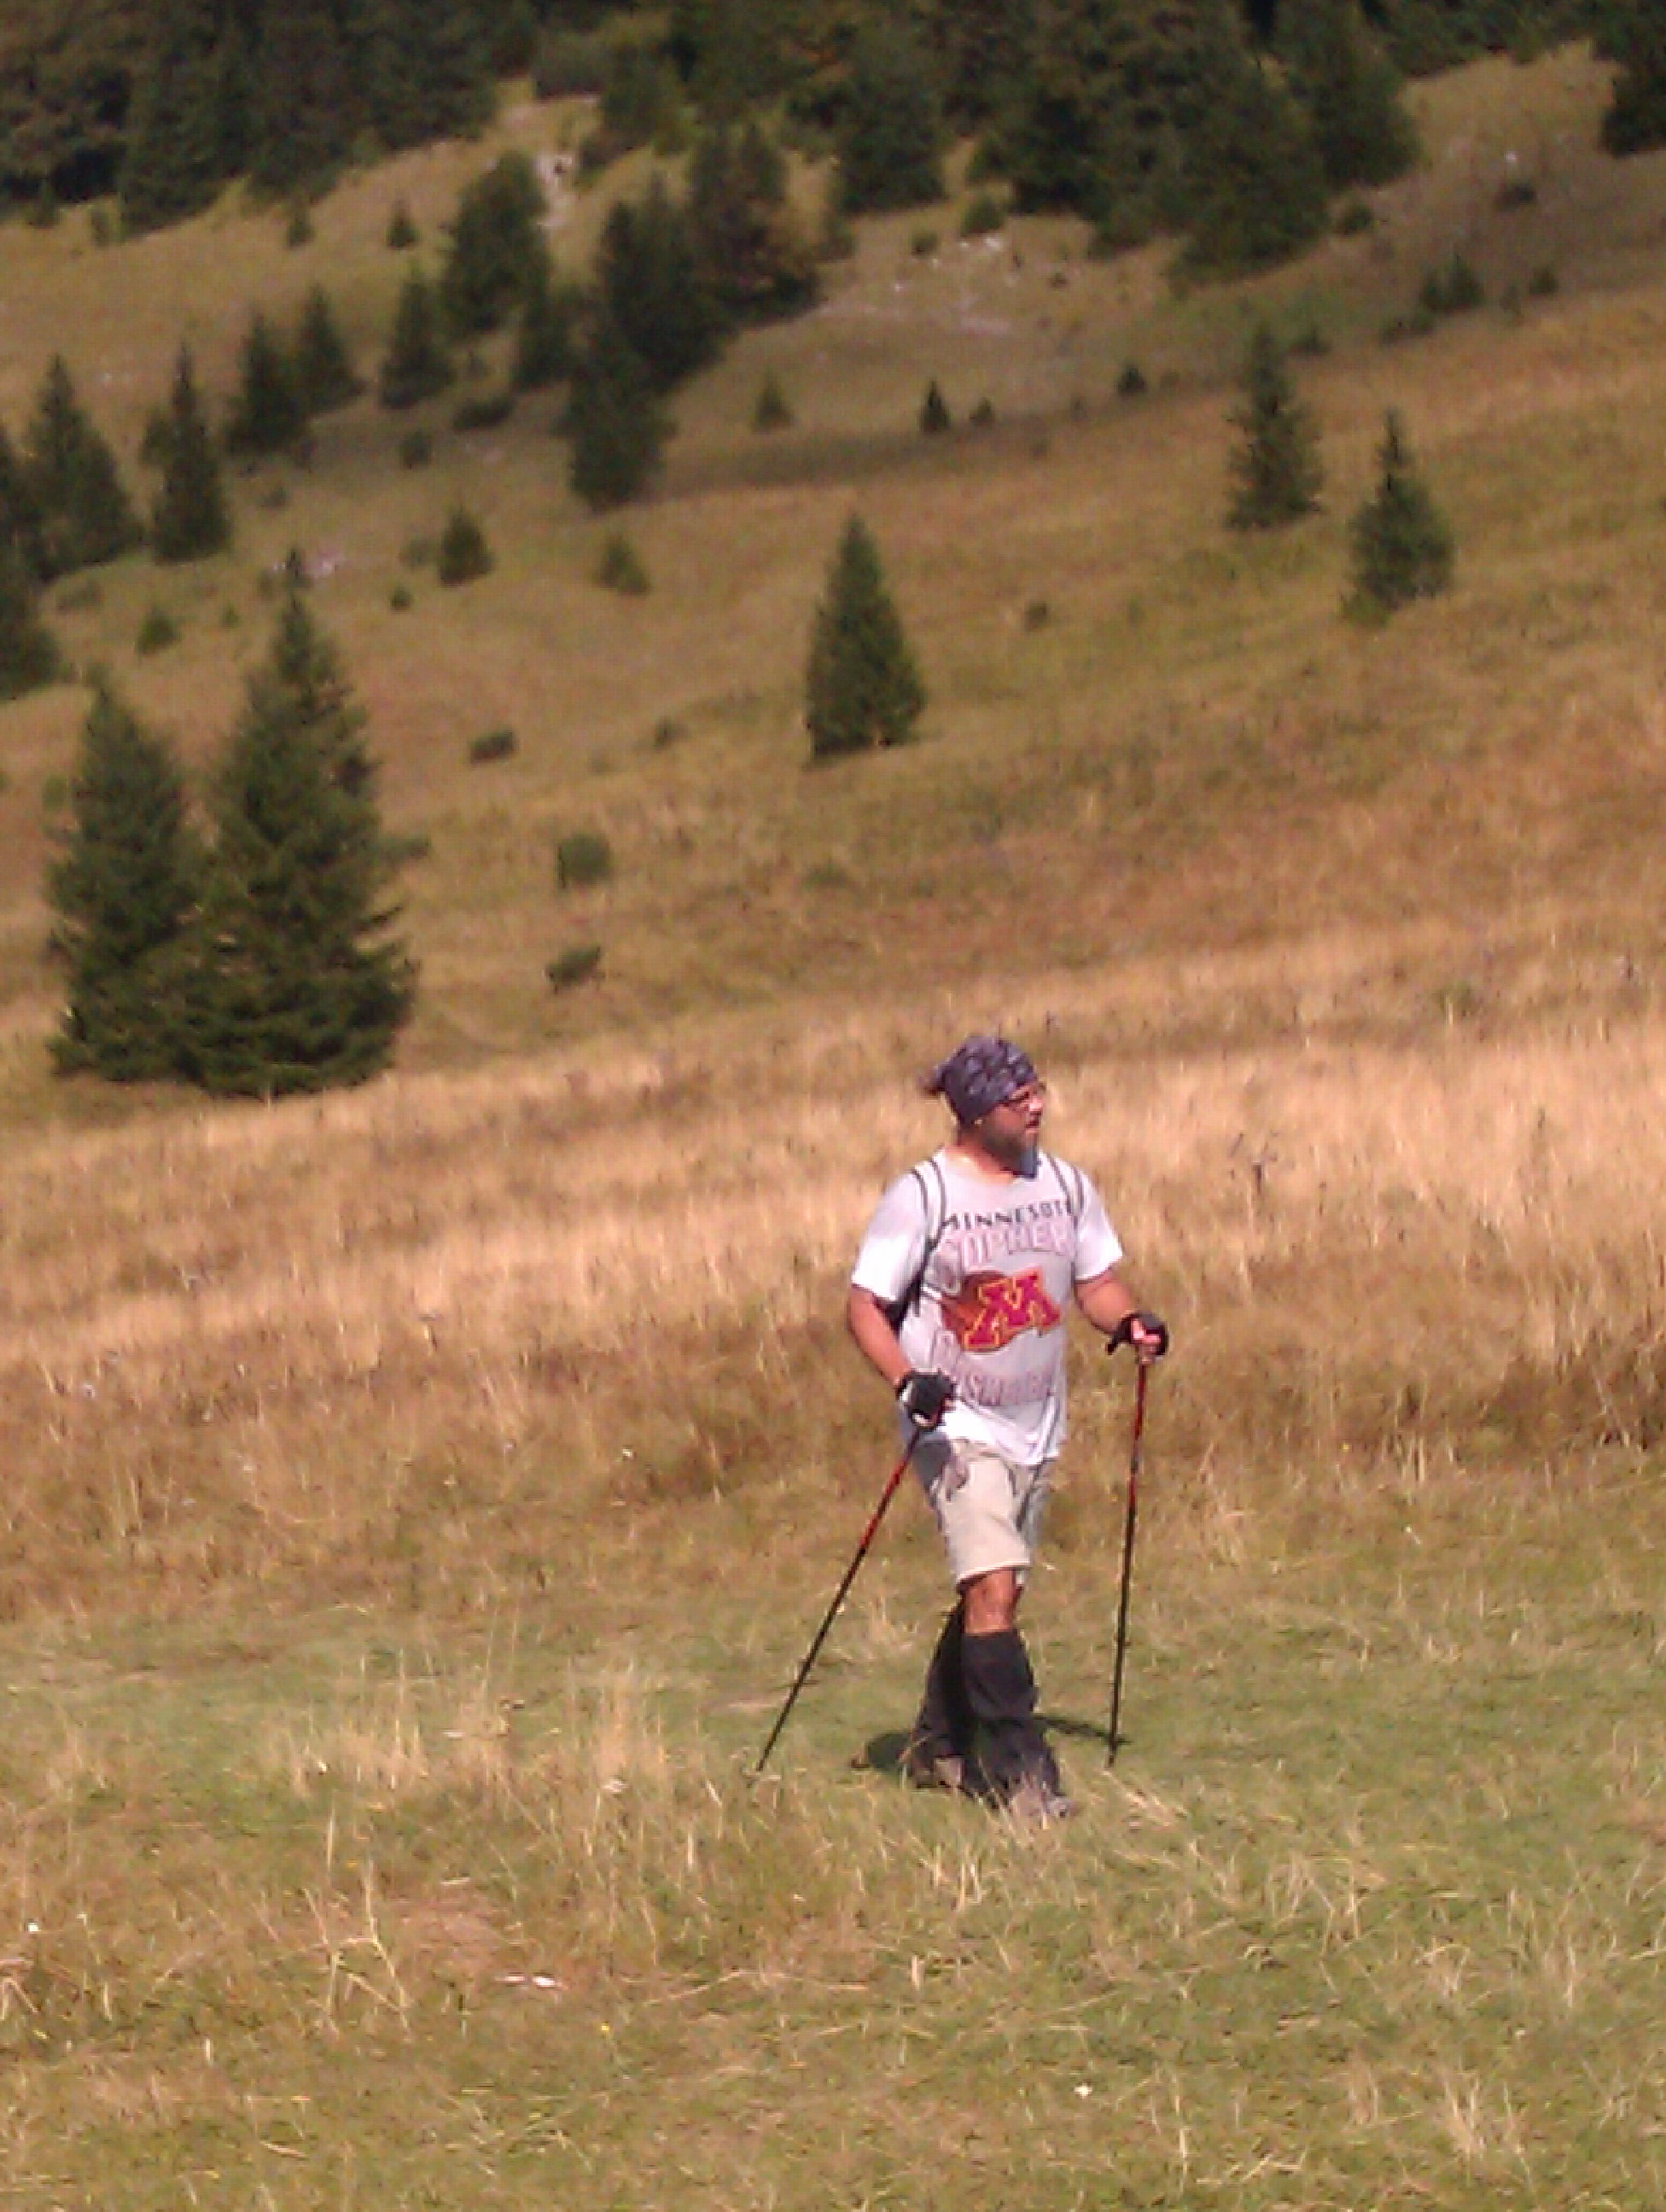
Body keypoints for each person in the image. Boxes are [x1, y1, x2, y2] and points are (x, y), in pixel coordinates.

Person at [848, 1035, 1168, 1822]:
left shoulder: (1064, 1185)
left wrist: (1129, 1320)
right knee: (993, 1584)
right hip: (954, 1423)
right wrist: (907, 1380)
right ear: (974, 1112)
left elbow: (1095, 1281)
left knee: (998, 1589)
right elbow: (865, 1308)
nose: (1037, 1106)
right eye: (1017, 1098)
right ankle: (1021, 1774)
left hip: (1037, 1422)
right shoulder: (923, 1197)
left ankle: (938, 1742)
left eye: (1037, 1090)